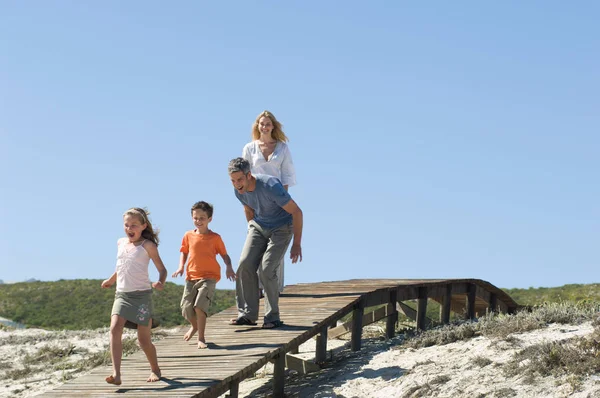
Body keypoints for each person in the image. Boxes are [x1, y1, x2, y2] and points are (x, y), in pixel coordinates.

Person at [228, 157, 303, 329]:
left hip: (282, 227)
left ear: (249, 176)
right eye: (232, 180)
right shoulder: (238, 191)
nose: (236, 184)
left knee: (267, 268)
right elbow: (248, 208)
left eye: (239, 179)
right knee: (245, 264)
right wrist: (252, 232)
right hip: (259, 225)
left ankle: (272, 317)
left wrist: (297, 244)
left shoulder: (270, 186)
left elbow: (297, 212)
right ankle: (247, 315)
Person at [101, 207, 167, 386]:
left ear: (143, 226)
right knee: (115, 328)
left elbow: (162, 269)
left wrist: (160, 281)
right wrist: (111, 279)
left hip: (141, 297)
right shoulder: (121, 243)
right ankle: (116, 374)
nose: (129, 229)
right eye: (126, 225)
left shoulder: (148, 246)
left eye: (134, 225)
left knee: (143, 340)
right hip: (122, 294)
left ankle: (155, 368)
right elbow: (122, 265)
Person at [242, 110, 297, 294]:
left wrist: (284, 201)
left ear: (273, 126)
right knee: (256, 243)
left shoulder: (282, 148)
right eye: (261, 124)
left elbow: (287, 176)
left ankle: (274, 288)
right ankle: (256, 287)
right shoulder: (249, 148)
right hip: (256, 199)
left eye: (268, 124)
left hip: (277, 198)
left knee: (276, 243)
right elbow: (243, 175)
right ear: (257, 126)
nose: (264, 127)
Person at [172, 201, 236, 349]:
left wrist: (229, 268)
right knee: (186, 309)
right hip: (191, 277)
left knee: (199, 306)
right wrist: (181, 267)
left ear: (209, 219)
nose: (198, 221)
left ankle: (201, 338)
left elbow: (224, 255)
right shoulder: (188, 235)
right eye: (195, 218)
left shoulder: (215, 238)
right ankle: (194, 326)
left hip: (209, 277)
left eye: (202, 218)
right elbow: (184, 251)